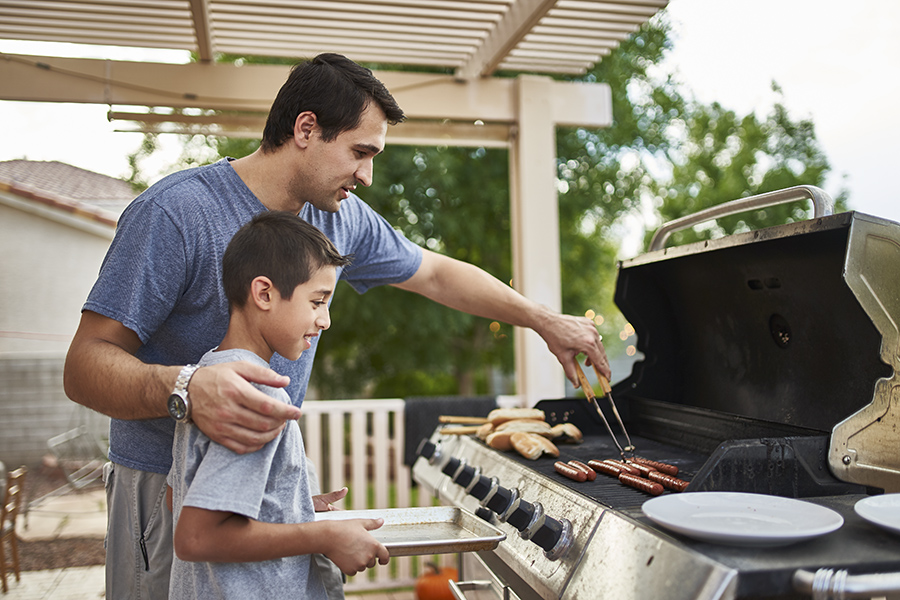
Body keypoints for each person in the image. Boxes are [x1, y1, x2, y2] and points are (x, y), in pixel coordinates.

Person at [64, 52, 609, 599]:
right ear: (306, 129)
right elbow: (85, 365)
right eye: (360, 152)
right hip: (163, 489)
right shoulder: (176, 214)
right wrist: (188, 388)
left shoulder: (337, 218)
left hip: (257, 502)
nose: (367, 175)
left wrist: (543, 321)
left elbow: (438, 275)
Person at [167, 211, 389, 599]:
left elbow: (179, 495)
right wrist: (322, 534)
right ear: (264, 293)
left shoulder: (210, 375)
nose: (326, 321)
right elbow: (197, 536)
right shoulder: (257, 393)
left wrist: (291, 504)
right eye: (318, 301)